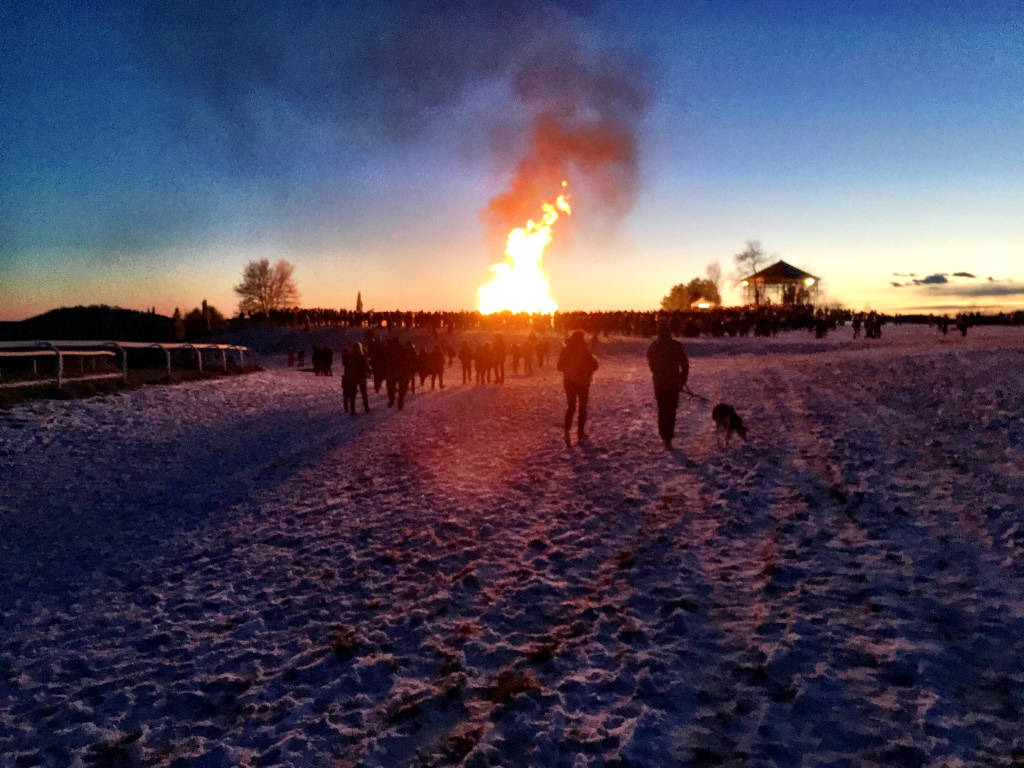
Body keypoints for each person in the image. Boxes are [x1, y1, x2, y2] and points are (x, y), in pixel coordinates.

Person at [646, 322, 689, 450]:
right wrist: (682, 379)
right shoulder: (676, 346)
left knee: (662, 410)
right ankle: (668, 438)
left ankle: (664, 437)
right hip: (673, 383)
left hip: (660, 383)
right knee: (670, 411)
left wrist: (659, 373)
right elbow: (685, 365)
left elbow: (651, 365)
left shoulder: (653, 347)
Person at [557, 330, 599, 446]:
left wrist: (569, 370)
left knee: (571, 407)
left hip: (569, 382)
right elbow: (595, 365)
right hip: (583, 383)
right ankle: (580, 433)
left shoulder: (566, 350)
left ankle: (567, 431)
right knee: (582, 408)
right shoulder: (584, 351)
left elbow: (559, 367)